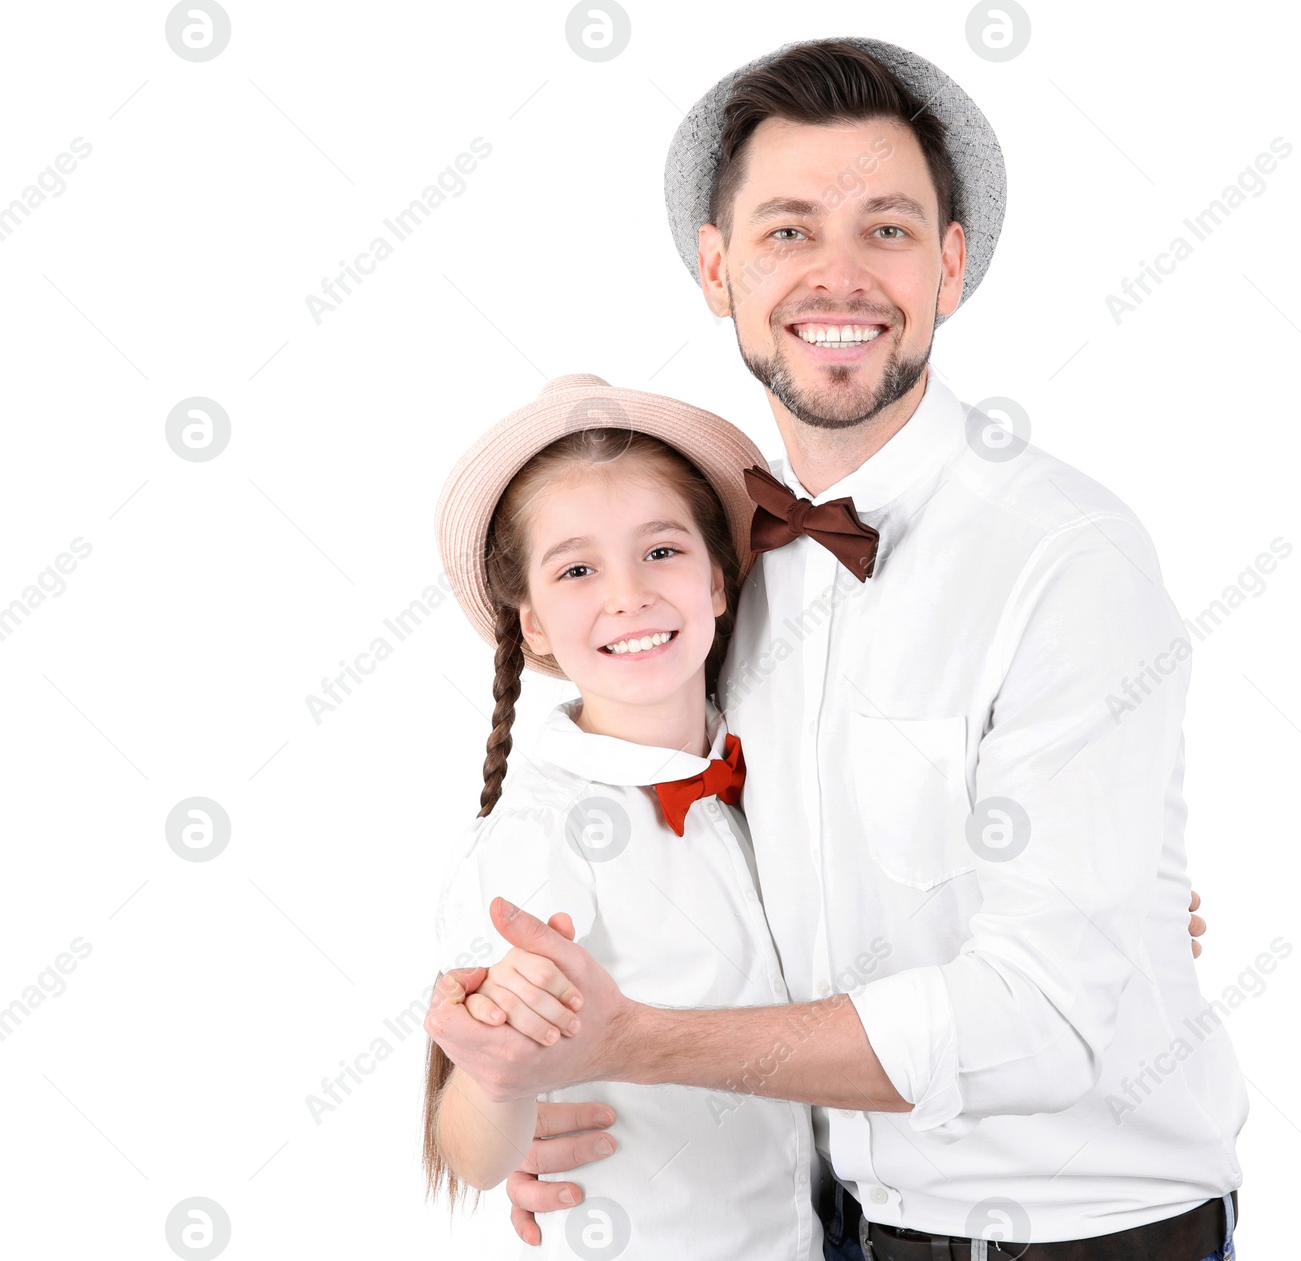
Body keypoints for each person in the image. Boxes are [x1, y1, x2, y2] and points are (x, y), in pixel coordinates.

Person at [427, 36, 1244, 1260]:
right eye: (788, 230)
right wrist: (533, 1104)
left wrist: (630, 1046)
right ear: (717, 269)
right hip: (829, 1222)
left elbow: (1048, 1014)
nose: (840, 276)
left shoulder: (1063, 558)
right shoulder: (716, 583)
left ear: (951, 264)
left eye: (891, 229)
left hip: (1081, 1236)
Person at [422, 376, 824, 1258]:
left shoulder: (785, 767)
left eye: (662, 551)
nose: (627, 595)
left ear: (719, 582)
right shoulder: (541, 834)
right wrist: (500, 1079)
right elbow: (472, 1151)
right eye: (576, 569)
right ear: (530, 626)